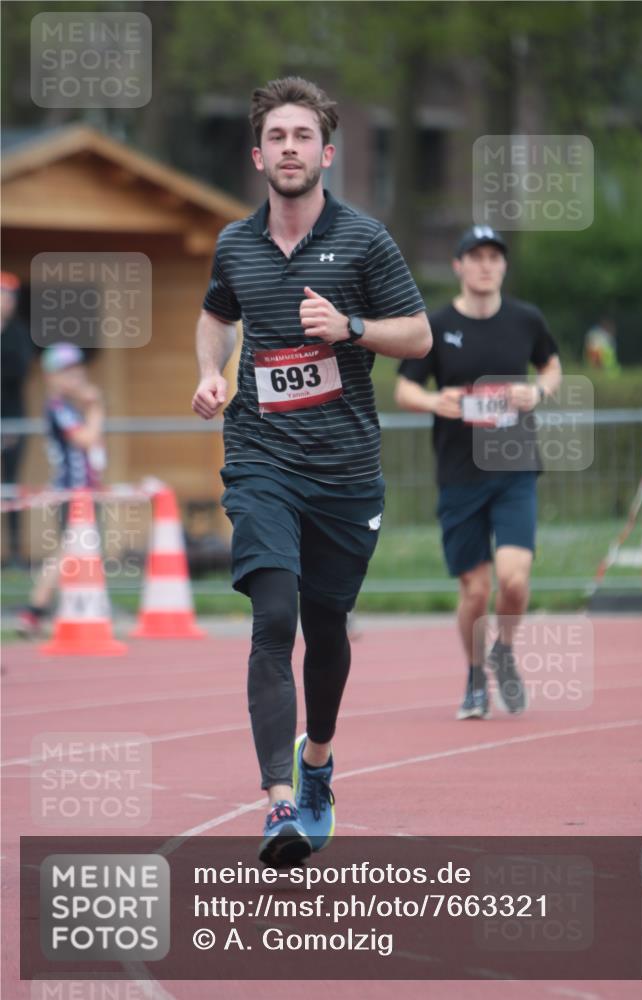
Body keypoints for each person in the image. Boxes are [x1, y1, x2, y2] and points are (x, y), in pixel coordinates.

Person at [192, 76, 430, 866]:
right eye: (276, 137)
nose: (289, 148)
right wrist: (211, 373)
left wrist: (349, 326)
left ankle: (317, 761)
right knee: (274, 619)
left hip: (345, 473)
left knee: (326, 628)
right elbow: (216, 315)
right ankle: (278, 803)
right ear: (256, 154)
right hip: (261, 459)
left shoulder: (364, 240)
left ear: (326, 153)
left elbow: (418, 337)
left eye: (302, 136)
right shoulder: (235, 244)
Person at [395, 225, 561, 721]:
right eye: (476, 257)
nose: (486, 265)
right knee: (475, 590)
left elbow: (551, 366)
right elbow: (404, 390)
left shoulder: (526, 319)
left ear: (504, 266)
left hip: (514, 467)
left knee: (514, 580)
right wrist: (435, 401)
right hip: (459, 472)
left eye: (494, 257)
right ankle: (473, 675)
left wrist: (538, 392)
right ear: (458, 266)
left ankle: (502, 650)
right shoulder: (435, 324)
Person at [17, 343, 106, 637]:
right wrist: (96, 407)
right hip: (72, 492)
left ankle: (53, 609)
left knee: (74, 550)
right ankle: (35, 609)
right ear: (51, 378)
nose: (75, 376)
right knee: (68, 551)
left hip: (84, 491)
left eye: (77, 369)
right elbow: (86, 439)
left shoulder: (69, 408)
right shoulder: (58, 407)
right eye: (66, 372)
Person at [1, 271, 34, 567]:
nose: (5, 302)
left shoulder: (18, 333)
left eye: (9, 297)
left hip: (11, 420)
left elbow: (19, 372)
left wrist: (11, 425)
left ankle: (14, 553)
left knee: (11, 486)